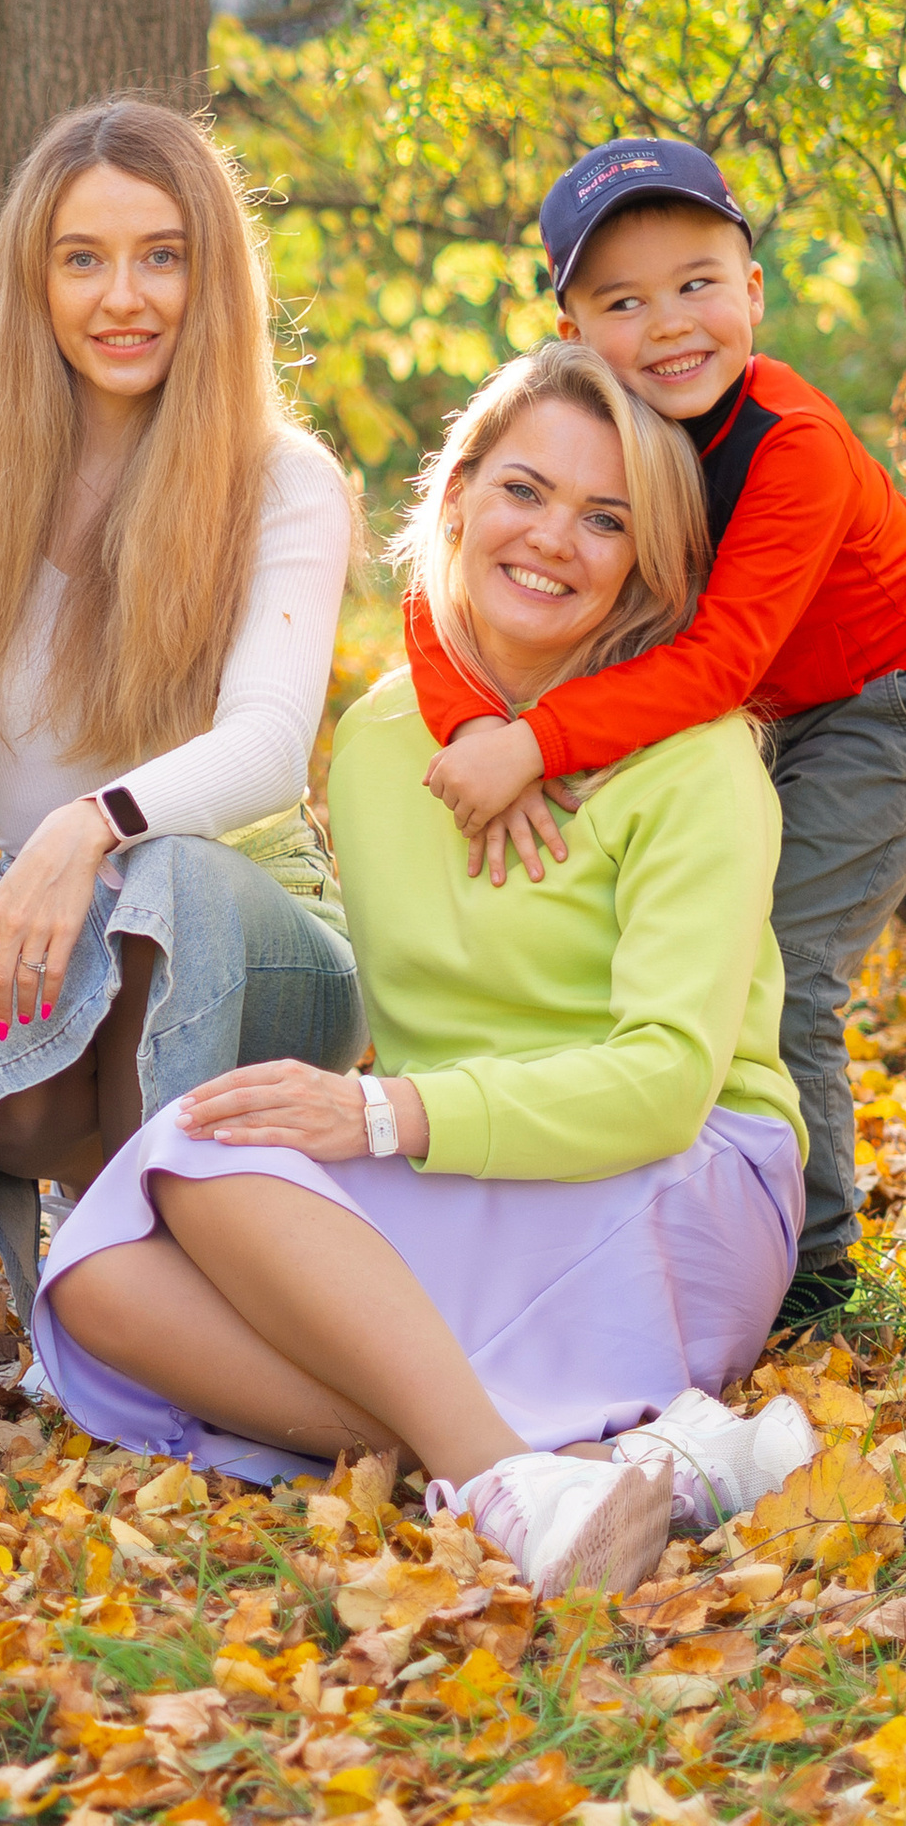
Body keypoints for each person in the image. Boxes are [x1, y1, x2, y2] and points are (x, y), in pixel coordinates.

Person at [40, 343, 816, 1600]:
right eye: (524, 490)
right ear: (455, 500)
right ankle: (586, 1464)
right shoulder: (381, 738)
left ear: (643, 560)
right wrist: (365, 1120)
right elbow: (418, 1026)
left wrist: (377, 1115)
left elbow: (667, 1081)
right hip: (464, 1161)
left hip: (682, 1175)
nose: (554, 538)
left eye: (604, 517)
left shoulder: (692, 755)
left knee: (210, 1151)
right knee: (105, 1268)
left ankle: (505, 1478)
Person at [0, 100, 365, 1310]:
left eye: (161, 256)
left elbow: (268, 749)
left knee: (169, 881)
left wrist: (87, 828)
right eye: (82, 259)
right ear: (33, 283)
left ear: (213, 277)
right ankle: (105, 1281)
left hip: (267, 944)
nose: (121, 296)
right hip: (53, 933)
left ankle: (157, 1285)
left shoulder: (280, 479)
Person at [409, 140, 906, 1335]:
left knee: (775, 960)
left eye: (696, 283)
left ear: (753, 292)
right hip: (750, 711)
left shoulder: (795, 446)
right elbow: (441, 565)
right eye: (622, 301)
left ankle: (819, 1275)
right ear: (571, 325)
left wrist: (536, 744)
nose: (669, 325)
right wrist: (474, 718)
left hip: (870, 699)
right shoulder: (582, 423)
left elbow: (721, 661)